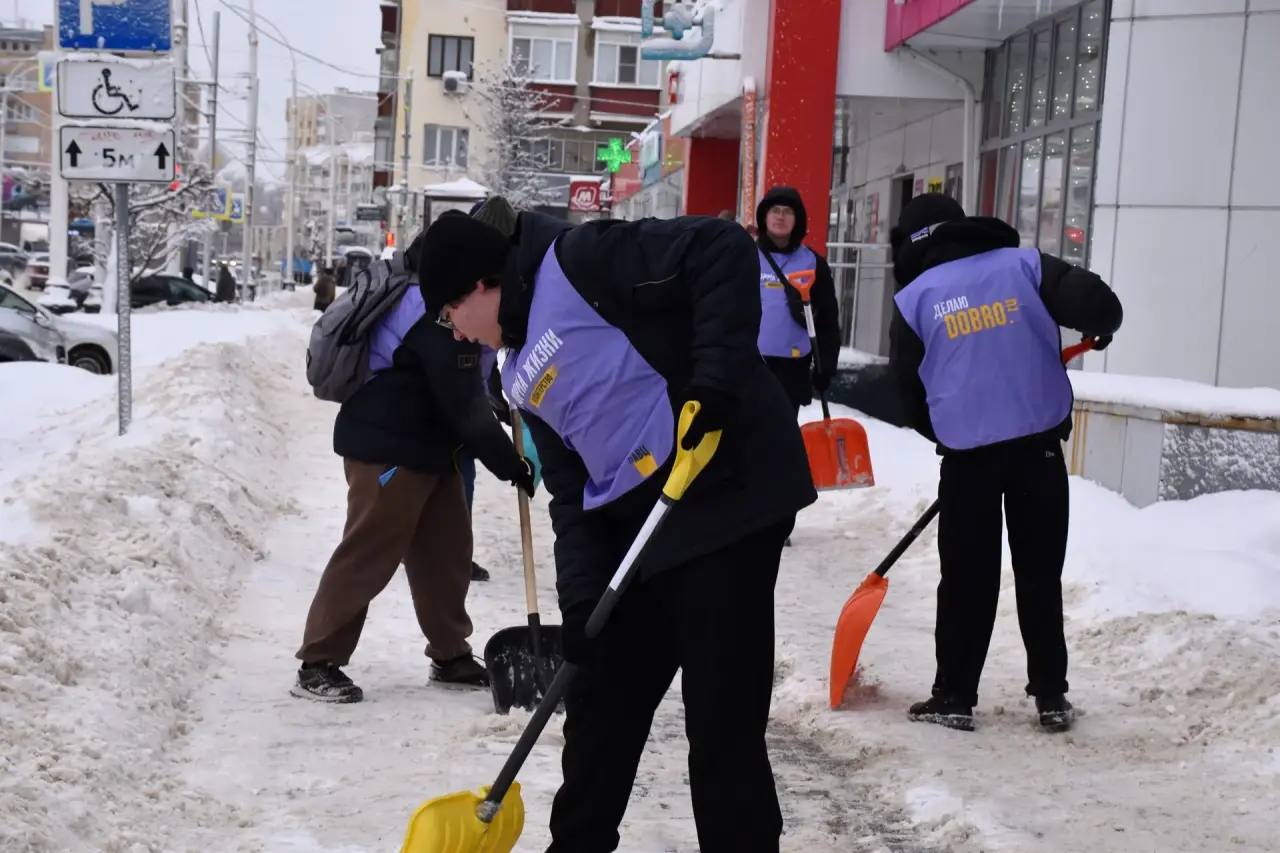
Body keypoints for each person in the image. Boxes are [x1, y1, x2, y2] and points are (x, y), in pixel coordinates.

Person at [419, 205, 816, 852]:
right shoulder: (516, 372)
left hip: (724, 491)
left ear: (480, 285)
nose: (455, 333)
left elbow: (719, 247)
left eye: (448, 314)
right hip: (641, 528)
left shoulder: (582, 259)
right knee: (600, 701)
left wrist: (716, 381)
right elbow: (572, 491)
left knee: (720, 719)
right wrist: (581, 600)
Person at [888, 193, 1123, 734]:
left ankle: (954, 697)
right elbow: (1099, 305)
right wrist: (1099, 323)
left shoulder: (916, 297)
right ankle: (1051, 695)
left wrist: (954, 432)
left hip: (968, 460)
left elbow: (907, 387)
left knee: (966, 578)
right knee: (1040, 574)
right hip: (1039, 448)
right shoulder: (1026, 266)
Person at [292, 238, 537, 703]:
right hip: (387, 448)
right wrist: (510, 464)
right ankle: (318, 660)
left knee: (446, 552)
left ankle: (450, 652)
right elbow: (463, 404)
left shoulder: (450, 303)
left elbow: (474, 379)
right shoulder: (433, 314)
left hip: (432, 447)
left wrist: (505, 396)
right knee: (369, 552)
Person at [754, 186, 841, 413]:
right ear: (764, 216)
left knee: (782, 430)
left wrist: (826, 366)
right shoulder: (746, 256)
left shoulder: (812, 262)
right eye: (775, 210)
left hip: (792, 368)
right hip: (751, 364)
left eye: (788, 211)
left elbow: (828, 319)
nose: (780, 216)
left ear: (797, 219)